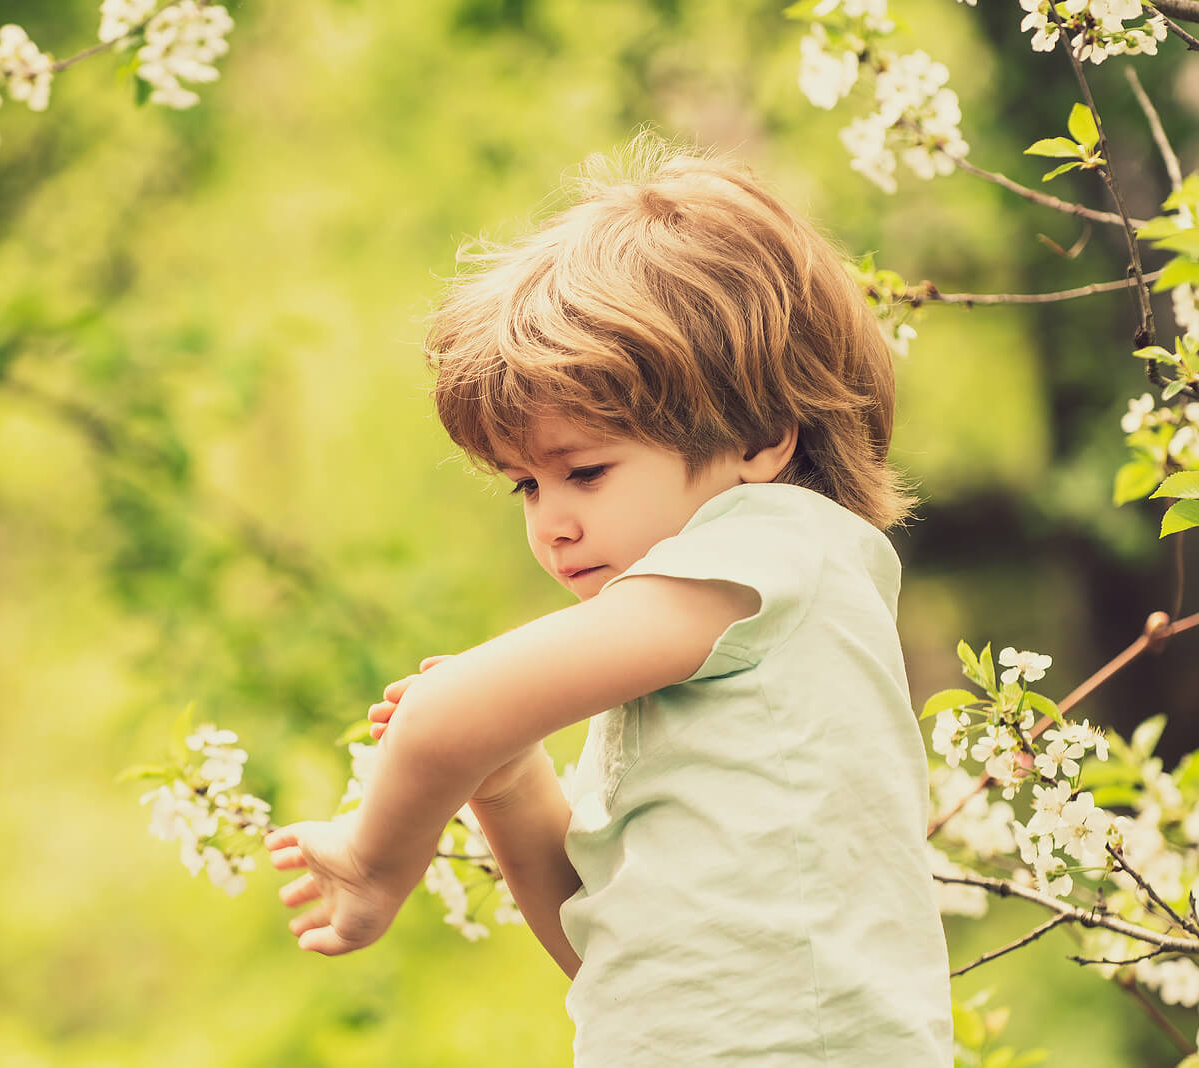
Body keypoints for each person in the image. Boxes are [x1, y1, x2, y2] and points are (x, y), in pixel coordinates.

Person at [264, 133, 953, 1065]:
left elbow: (444, 716)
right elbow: (613, 963)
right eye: (526, 486)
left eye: (585, 472)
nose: (552, 524)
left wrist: (373, 860)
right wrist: (511, 786)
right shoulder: (699, 654)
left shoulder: (773, 546)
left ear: (760, 439)